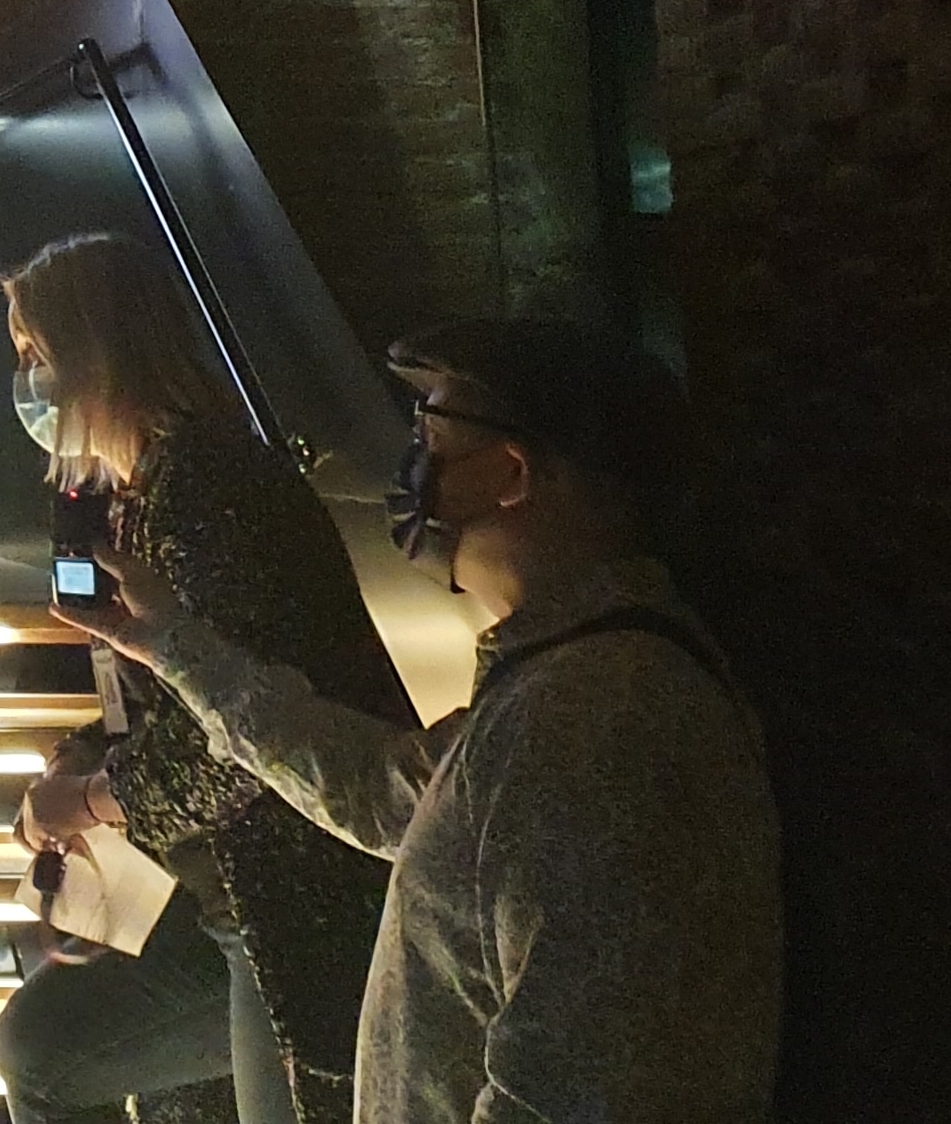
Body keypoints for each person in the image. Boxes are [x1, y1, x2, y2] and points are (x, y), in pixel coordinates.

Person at [79, 314, 782, 1124]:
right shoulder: (554, 688)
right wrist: (177, 645)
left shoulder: (598, 719)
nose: (413, 459)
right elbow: (385, 792)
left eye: (434, 429)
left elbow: (572, 1092)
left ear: (510, 473)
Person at [0, 235, 414, 1124]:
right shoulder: (145, 492)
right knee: (43, 1048)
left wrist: (93, 800)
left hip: (291, 911)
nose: (30, 381)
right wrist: (83, 768)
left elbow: (239, 744)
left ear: (99, 353)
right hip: (227, 900)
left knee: (47, 1054)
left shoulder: (210, 490)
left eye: (40, 353)